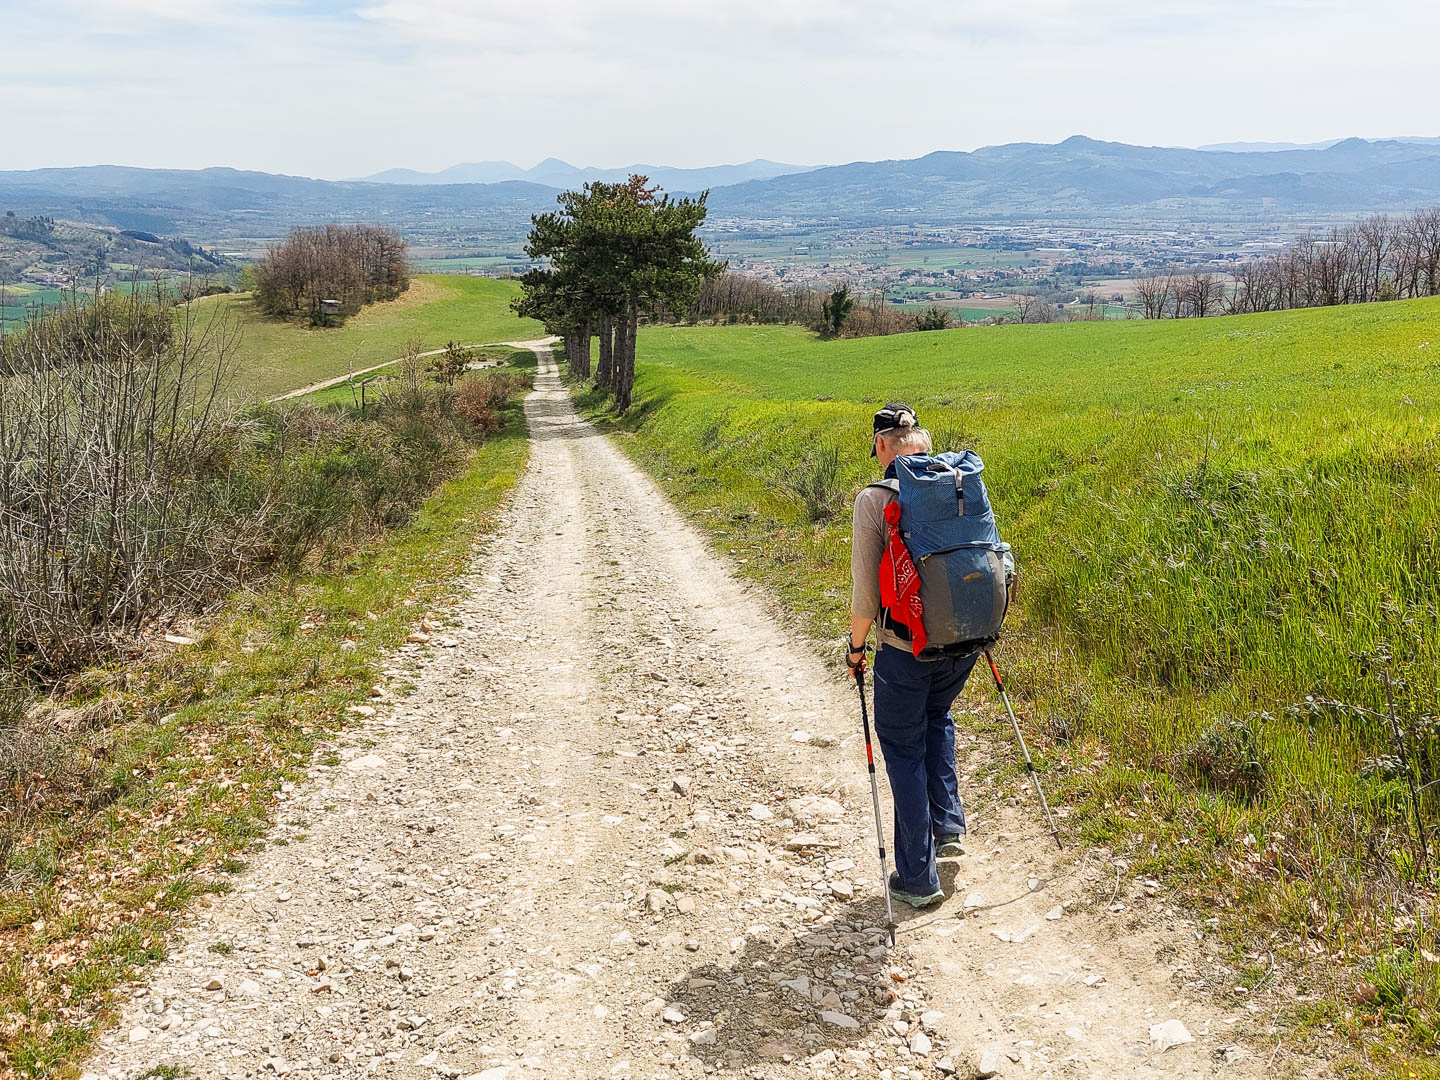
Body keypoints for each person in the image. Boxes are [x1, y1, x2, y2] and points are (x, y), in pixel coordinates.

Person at [847, 403, 977, 909]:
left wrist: (857, 649)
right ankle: (948, 826)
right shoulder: (957, 480)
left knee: (901, 747)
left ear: (882, 446)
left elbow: (865, 596)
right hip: (964, 640)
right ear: (920, 440)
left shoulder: (873, 499)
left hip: (905, 647)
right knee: (937, 716)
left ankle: (918, 878)